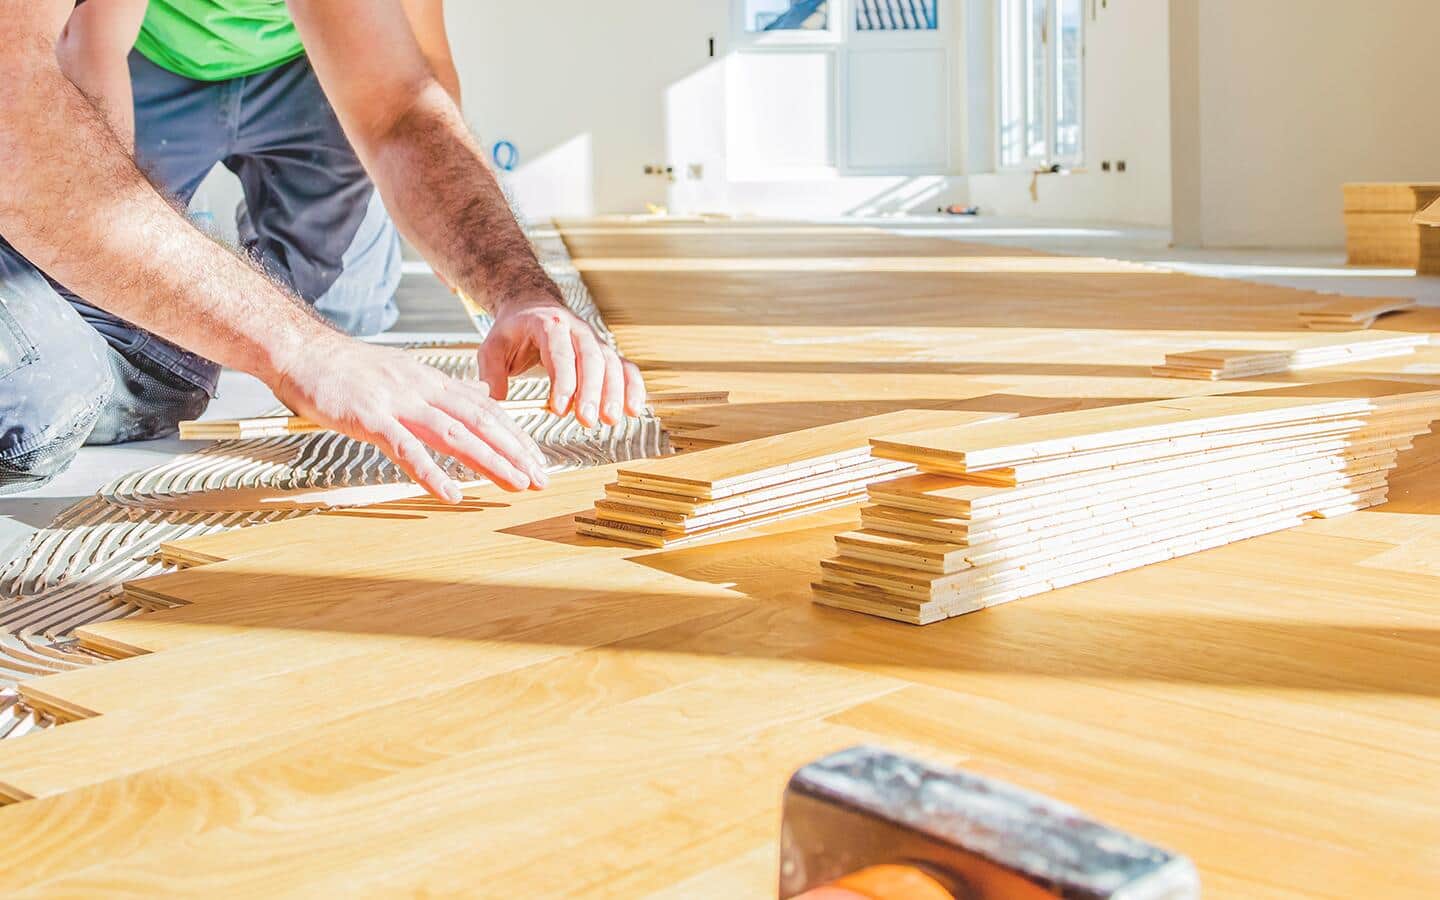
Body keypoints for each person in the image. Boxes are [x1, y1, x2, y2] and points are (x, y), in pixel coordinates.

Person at [0, 0, 645, 502]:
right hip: (133, 65)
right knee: (52, 384)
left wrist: (513, 287)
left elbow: (400, 109)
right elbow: (20, 122)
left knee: (307, 324)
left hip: (297, 70)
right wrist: (299, 347)